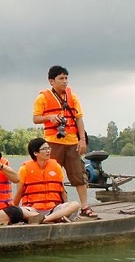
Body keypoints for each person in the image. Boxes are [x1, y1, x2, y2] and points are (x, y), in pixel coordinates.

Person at [32, 65, 98, 219]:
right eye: (61, 78)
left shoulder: (72, 96)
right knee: (54, 175)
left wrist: (82, 140)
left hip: (72, 141)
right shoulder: (42, 97)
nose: (65, 82)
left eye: (66, 78)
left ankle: (84, 206)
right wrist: (49, 117)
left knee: (78, 175)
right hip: (53, 141)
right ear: (51, 81)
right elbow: (35, 118)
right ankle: (61, 207)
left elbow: (79, 118)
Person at [0, 137, 80, 226]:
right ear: (35, 153)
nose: (48, 151)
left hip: (53, 209)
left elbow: (62, 190)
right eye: (45, 149)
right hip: (32, 210)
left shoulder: (56, 167)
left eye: (49, 148)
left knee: (75, 204)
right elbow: (19, 193)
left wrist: (65, 208)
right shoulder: (25, 169)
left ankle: (45, 219)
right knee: (16, 210)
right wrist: (14, 210)